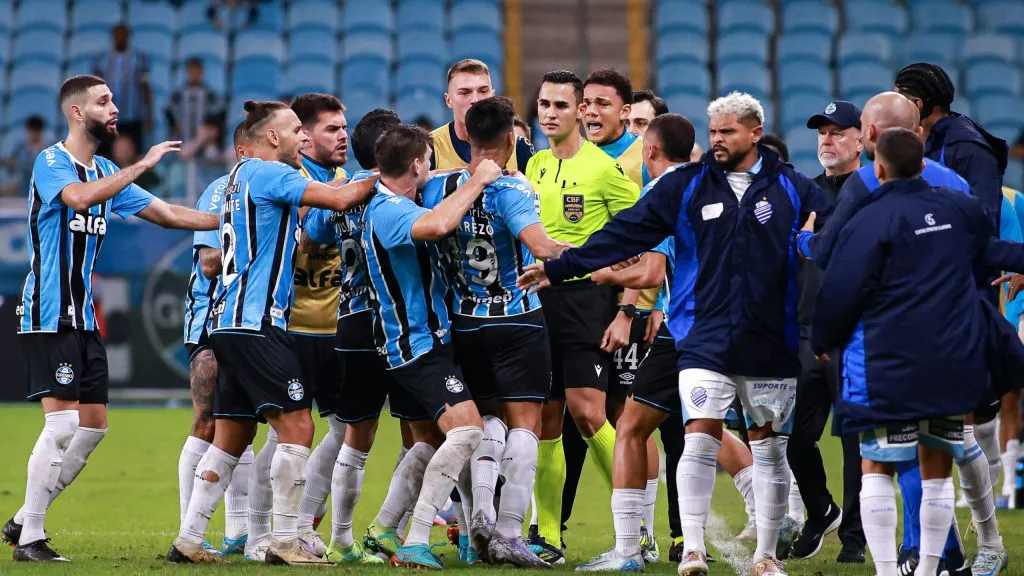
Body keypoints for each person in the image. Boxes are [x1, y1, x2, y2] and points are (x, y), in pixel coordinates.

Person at [518, 91, 832, 576]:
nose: (718, 141)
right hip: (702, 336)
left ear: (754, 132)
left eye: (727, 132)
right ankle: (692, 551)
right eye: (713, 134)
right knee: (698, 438)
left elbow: (840, 235)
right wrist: (562, 268)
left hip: (771, 340)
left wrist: (814, 243)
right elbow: (625, 233)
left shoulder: (793, 188)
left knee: (770, 447)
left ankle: (767, 556)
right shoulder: (685, 186)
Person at [1, 74, 216, 562]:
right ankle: (31, 538)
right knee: (61, 426)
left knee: (93, 426)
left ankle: (22, 519)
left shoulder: (102, 169)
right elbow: (78, 200)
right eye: (103, 101)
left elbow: (168, 214)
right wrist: (141, 165)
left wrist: (230, 218)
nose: (114, 107)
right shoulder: (52, 162)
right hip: (48, 310)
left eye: (113, 99)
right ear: (77, 113)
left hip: (81, 318)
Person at [796, 91, 1011, 576]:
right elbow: (986, 250)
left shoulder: (865, 190)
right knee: (954, 447)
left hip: (885, 351)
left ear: (870, 137)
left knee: (882, 460)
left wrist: (807, 244)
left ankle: (900, 565)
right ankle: (967, 547)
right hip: (953, 346)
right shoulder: (954, 188)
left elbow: (838, 266)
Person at [165, 100, 376, 565]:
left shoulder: (235, 179)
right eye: (296, 129)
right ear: (273, 138)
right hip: (259, 323)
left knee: (232, 435)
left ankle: (188, 539)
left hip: (225, 322)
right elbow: (340, 200)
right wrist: (385, 171)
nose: (303, 137)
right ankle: (283, 540)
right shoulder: (271, 174)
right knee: (298, 427)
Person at [420, 96, 564, 567]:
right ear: (512, 138)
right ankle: (508, 532)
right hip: (517, 320)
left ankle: (478, 514)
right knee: (526, 425)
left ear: (465, 137)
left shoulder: (440, 187)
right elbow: (541, 245)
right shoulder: (512, 190)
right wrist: (598, 250)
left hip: (463, 323)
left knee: (482, 423)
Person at [358, 125, 502, 569]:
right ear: (418, 164)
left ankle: (383, 528)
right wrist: (479, 179)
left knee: (428, 443)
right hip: (417, 345)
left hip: (418, 342)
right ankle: (417, 537)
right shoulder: (389, 210)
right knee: (468, 431)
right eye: (430, 160)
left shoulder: (391, 200)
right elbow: (440, 223)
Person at [301, 108, 433, 565]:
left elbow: (314, 230)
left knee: (353, 435)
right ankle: (392, 531)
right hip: (398, 321)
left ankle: (338, 539)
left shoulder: (343, 191)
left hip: (350, 318)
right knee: (422, 434)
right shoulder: (403, 195)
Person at [524, 70, 641, 565]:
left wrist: (628, 309)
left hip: (585, 303)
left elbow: (643, 242)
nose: (550, 113)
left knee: (589, 412)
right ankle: (547, 535)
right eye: (544, 104)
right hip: (536, 304)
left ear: (579, 113)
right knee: (547, 418)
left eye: (560, 106)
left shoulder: (604, 171)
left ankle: (635, 530)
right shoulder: (533, 166)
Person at [575, 112, 693, 572]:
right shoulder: (713, 184)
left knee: (630, 427)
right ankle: (783, 523)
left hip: (683, 327)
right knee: (717, 432)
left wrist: (600, 271)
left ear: (649, 151)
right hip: (724, 326)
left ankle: (629, 550)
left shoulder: (661, 191)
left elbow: (650, 271)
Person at [788, 100, 866, 563]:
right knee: (795, 438)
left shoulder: (874, 190)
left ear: (862, 138)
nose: (828, 140)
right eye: (822, 132)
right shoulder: (805, 195)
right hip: (803, 333)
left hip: (856, 335)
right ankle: (822, 510)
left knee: (856, 443)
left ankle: (854, 541)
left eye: (839, 132)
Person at [178, 122, 254, 558]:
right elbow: (209, 262)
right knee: (207, 424)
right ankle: (188, 530)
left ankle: (237, 529)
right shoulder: (220, 189)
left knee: (240, 425)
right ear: (245, 148)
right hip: (212, 320)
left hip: (248, 320)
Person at [286, 93, 351, 559]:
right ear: (304, 136)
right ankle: (254, 527)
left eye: (344, 127)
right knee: (282, 432)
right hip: (289, 329)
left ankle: (305, 522)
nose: (343, 135)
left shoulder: (347, 180)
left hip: (336, 330)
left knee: (345, 430)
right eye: (332, 129)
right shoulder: (289, 181)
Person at [430, 59, 533, 172]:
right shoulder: (430, 147)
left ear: (493, 96)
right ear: (448, 100)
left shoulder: (519, 147)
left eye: (483, 91)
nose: (475, 100)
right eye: (465, 93)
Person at [92, 24, 151, 154]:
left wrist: (148, 113)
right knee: (105, 154)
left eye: (123, 35)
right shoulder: (102, 60)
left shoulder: (139, 59)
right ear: (112, 37)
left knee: (133, 154)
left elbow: (145, 87)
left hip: (133, 117)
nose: (120, 38)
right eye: (117, 35)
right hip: (107, 117)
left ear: (128, 37)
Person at [166, 58, 224, 144]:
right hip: (183, 135)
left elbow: (220, 110)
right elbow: (168, 109)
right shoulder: (179, 92)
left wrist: (210, 125)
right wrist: (174, 124)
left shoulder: (208, 92)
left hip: (202, 139)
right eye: (192, 71)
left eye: (197, 71)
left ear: (202, 72)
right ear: (187, 72)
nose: (195, 74)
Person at [3, 115, 49, 196]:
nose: (34, 133)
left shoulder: (47, 149)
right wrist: (10, 163)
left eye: (36, 130)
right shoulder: (21, 147)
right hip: (23, 188)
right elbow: (11, 168)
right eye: (32, 130)